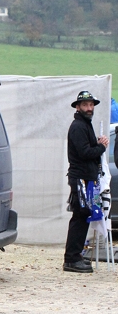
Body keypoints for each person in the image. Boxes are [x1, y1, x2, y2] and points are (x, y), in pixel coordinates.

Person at [63, 91, 109, 273]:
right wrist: (101, 147)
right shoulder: (78, 126)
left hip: (86, 178)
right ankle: (72, 259)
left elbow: (87, 148)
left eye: (91, 105)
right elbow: (84, 152)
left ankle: (75, 256)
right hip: (80, 178)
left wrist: (97, 143)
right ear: (78, 107)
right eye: (85, 105)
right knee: (80, 216)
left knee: (83, 216)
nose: (89, 108)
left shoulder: (85, 125)